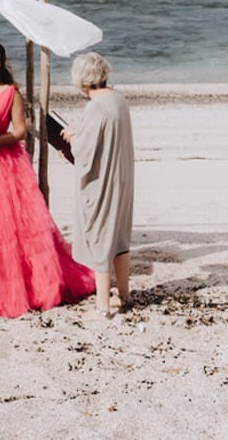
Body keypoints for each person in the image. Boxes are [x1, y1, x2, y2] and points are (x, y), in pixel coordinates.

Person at [0, 37, 95, 317]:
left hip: (2, 164)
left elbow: (20, 131)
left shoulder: (9, 92)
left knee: (7, 225)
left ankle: (16, 282)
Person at [64, 52, 135, 318]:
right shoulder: (118, 98)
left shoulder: (95, 107)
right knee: (119, 237)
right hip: (122, 175)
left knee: (100, 236)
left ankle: (102, 303)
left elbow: (83, 151)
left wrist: (71, 136)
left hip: (103, 179)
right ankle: (124, 293)